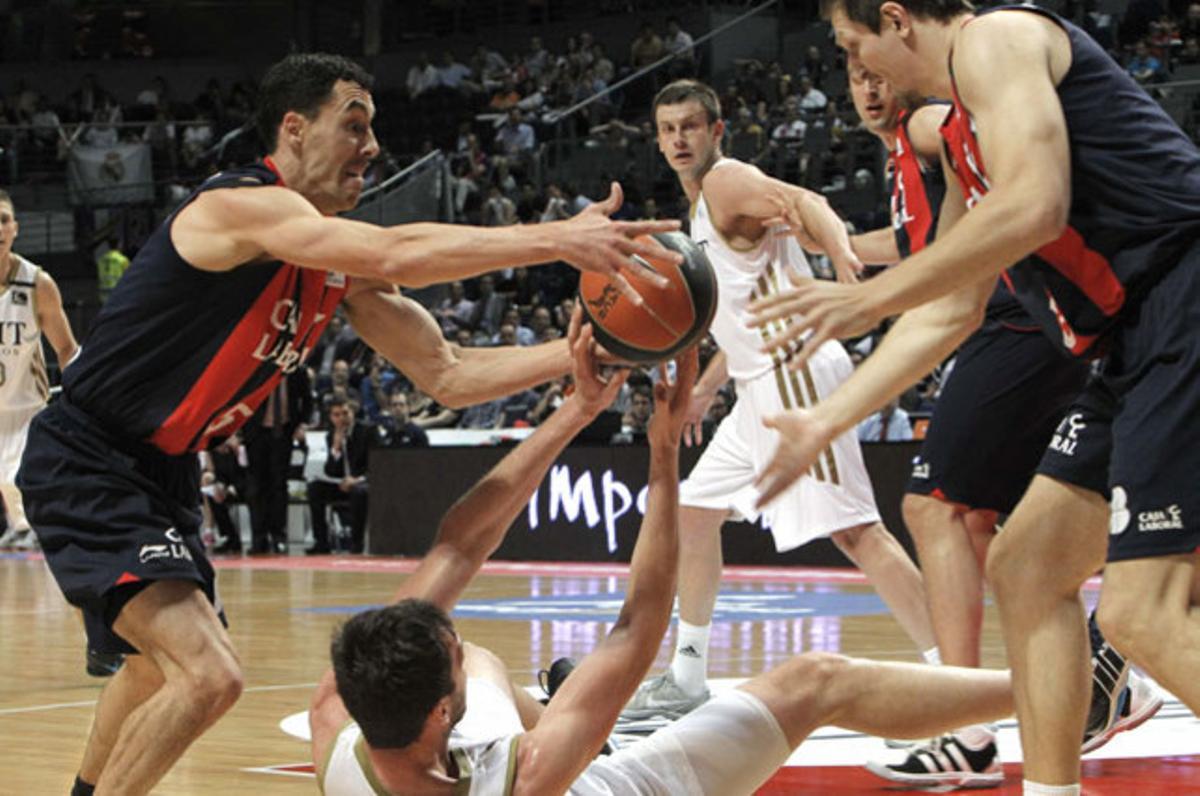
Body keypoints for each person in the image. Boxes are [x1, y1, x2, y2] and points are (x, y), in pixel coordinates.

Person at [15, 52, 680, 796]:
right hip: (91, 452)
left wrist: (597, 349)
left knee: (152, 670)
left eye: (372, 129)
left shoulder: (336, 269)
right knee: (208, 676)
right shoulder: (236, 207)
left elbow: (449, 373)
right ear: (294, 129)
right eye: (353, 126)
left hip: (162, 469)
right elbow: (398, 251)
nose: (371, 146)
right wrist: (556, 237)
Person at [751, 4, 1200, 794]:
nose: (859, 68)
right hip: (1135, 341)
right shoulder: (963, 130)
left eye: (855, 45)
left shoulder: (997, 38)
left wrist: (868, 298)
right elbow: (952, 309)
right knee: (1026, 566)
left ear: (896, 19)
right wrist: (827, 418)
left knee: (1139, 613)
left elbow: (1036, 204)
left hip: (1185, 299)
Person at [309, 312, 1018, 795]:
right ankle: (1041, 689)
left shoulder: (339, 727)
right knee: (815, 680)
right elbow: (638, 626)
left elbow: (460, 542)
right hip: (626, 786)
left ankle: (575, 715)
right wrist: (664, 450)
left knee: (488, 661)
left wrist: (576, 409)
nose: (455, 645)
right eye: (450, 659)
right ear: (441, 713)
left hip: (491, 754)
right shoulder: (523, 777)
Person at [832, 63, 1160, 788]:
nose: (869, 87)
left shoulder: (930, 124)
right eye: (854, 75)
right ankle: (1098, 676)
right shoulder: (909, 153)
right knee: (996, 533)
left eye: (875, 68)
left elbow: (998, 195)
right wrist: (839, 250)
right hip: (1036, 318)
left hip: (1017, 314)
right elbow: (924, 247)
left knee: (936, 508)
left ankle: (968, 733)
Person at [619, 79, 938, 725]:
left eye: (690, 126)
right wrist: (706, 390)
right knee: (694, 514)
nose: (679, 139)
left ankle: (955, 675)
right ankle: (687, 678)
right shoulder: (701, 211)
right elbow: (743, 314)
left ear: (716, 130)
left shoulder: (726, 182)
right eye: (668, 129)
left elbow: (807, 200)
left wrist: (841, 253)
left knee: (856, 532)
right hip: (756, 385)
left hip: (794, 372)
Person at [307, 398, 371, 554]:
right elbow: (330, 471)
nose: (342, 418)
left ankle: (356, 544)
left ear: (352, 413)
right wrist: (335, 449)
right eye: (336, 415)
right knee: (314, 488)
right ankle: (321, 542)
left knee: (358, 492)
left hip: (364, 483)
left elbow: (379, 464)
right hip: (342, 483)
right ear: (331, 418)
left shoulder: (368, 431)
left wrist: (357, 480)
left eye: (345, 413)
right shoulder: (331, 436)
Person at [95, 237, 130, 304]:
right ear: (119, 245)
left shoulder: (101, 260)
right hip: (117, 292)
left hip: (104, 292)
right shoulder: (122, 260)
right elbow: (129, 276)